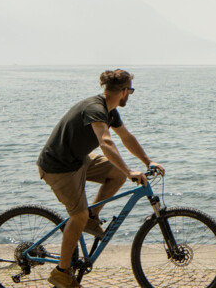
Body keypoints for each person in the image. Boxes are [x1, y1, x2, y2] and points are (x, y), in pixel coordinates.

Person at [37, 69, 163, 288]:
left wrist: (147, 161)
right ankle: (61, 272)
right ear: (124, 91)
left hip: (77, 160)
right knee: (77, 216)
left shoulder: (110, 110)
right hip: (59, 167)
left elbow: (126, 137)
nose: (129, 95)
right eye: (130, 91)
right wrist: (129, 171)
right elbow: (105, 142)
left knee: (115, 174)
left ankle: (92, 218)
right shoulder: (95, 109)